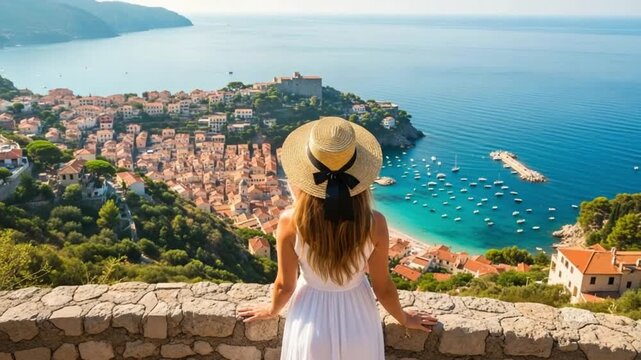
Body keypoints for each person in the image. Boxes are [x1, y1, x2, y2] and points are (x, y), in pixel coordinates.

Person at [238, 117, 437, 359]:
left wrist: (270, 310)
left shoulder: (289, 222)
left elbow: (284, 286)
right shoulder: (375, 223)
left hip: (310, 319)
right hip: (359, 320)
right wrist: (405, 318)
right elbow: (383, 287)